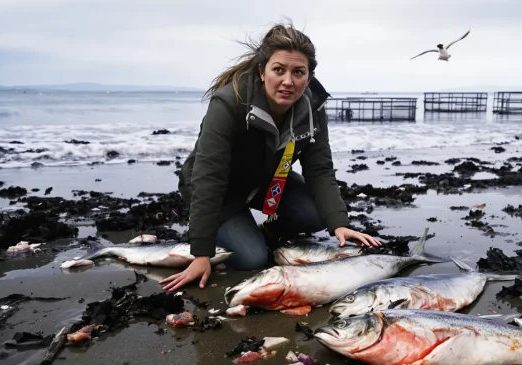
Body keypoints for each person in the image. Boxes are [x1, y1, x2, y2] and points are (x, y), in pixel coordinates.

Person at [160, 22, 381, 293]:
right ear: (262, 72)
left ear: (308, 77)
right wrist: (201, 253)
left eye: (298, 72)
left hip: (264, 180)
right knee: (252, 259)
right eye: (279, 70)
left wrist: (339, 224)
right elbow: (209, 176)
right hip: (219, 189)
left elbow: (319, 169)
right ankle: (221, 227)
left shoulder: (313, 107)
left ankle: (269, 231)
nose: (288, 81)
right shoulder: (229, 102)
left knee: (315, 214)